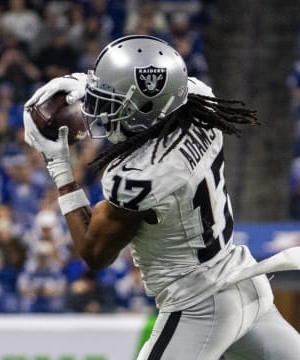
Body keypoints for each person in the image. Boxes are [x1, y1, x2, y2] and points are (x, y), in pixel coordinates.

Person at [23, 35, 300, 359]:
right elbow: (162, 81)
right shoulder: (199, 103)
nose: (101, 111)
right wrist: (85, 80)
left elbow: (94, 252)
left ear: (143, 111)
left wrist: (59, 169)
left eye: (111, 102)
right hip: (244, 282)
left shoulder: (140, 175)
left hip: (200, 305)